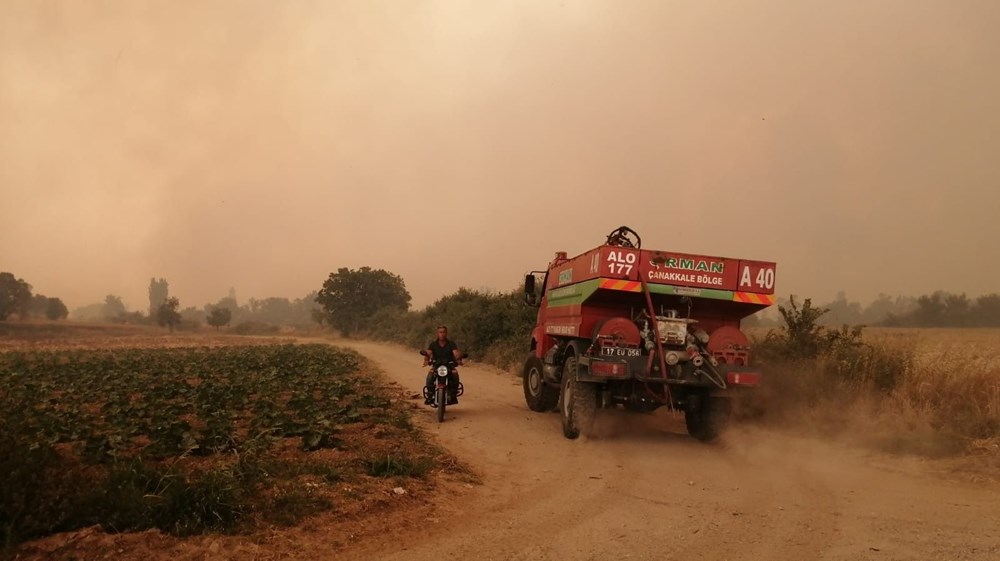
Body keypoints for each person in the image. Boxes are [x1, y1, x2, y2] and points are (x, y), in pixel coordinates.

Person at [423, 325, 463, 406]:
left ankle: (453, 395)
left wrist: (459, 359)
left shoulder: (451, 344)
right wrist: (426, 360)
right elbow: (428, 353)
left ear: (446, 333)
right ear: (437, 333)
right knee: (430, 375)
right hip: (436, 365)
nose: (442, 334)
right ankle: (430, 395)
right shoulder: (433, 344)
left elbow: (455, 353)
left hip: (449, 365)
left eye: (444, 332)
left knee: (455, 373)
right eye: (440, 332)